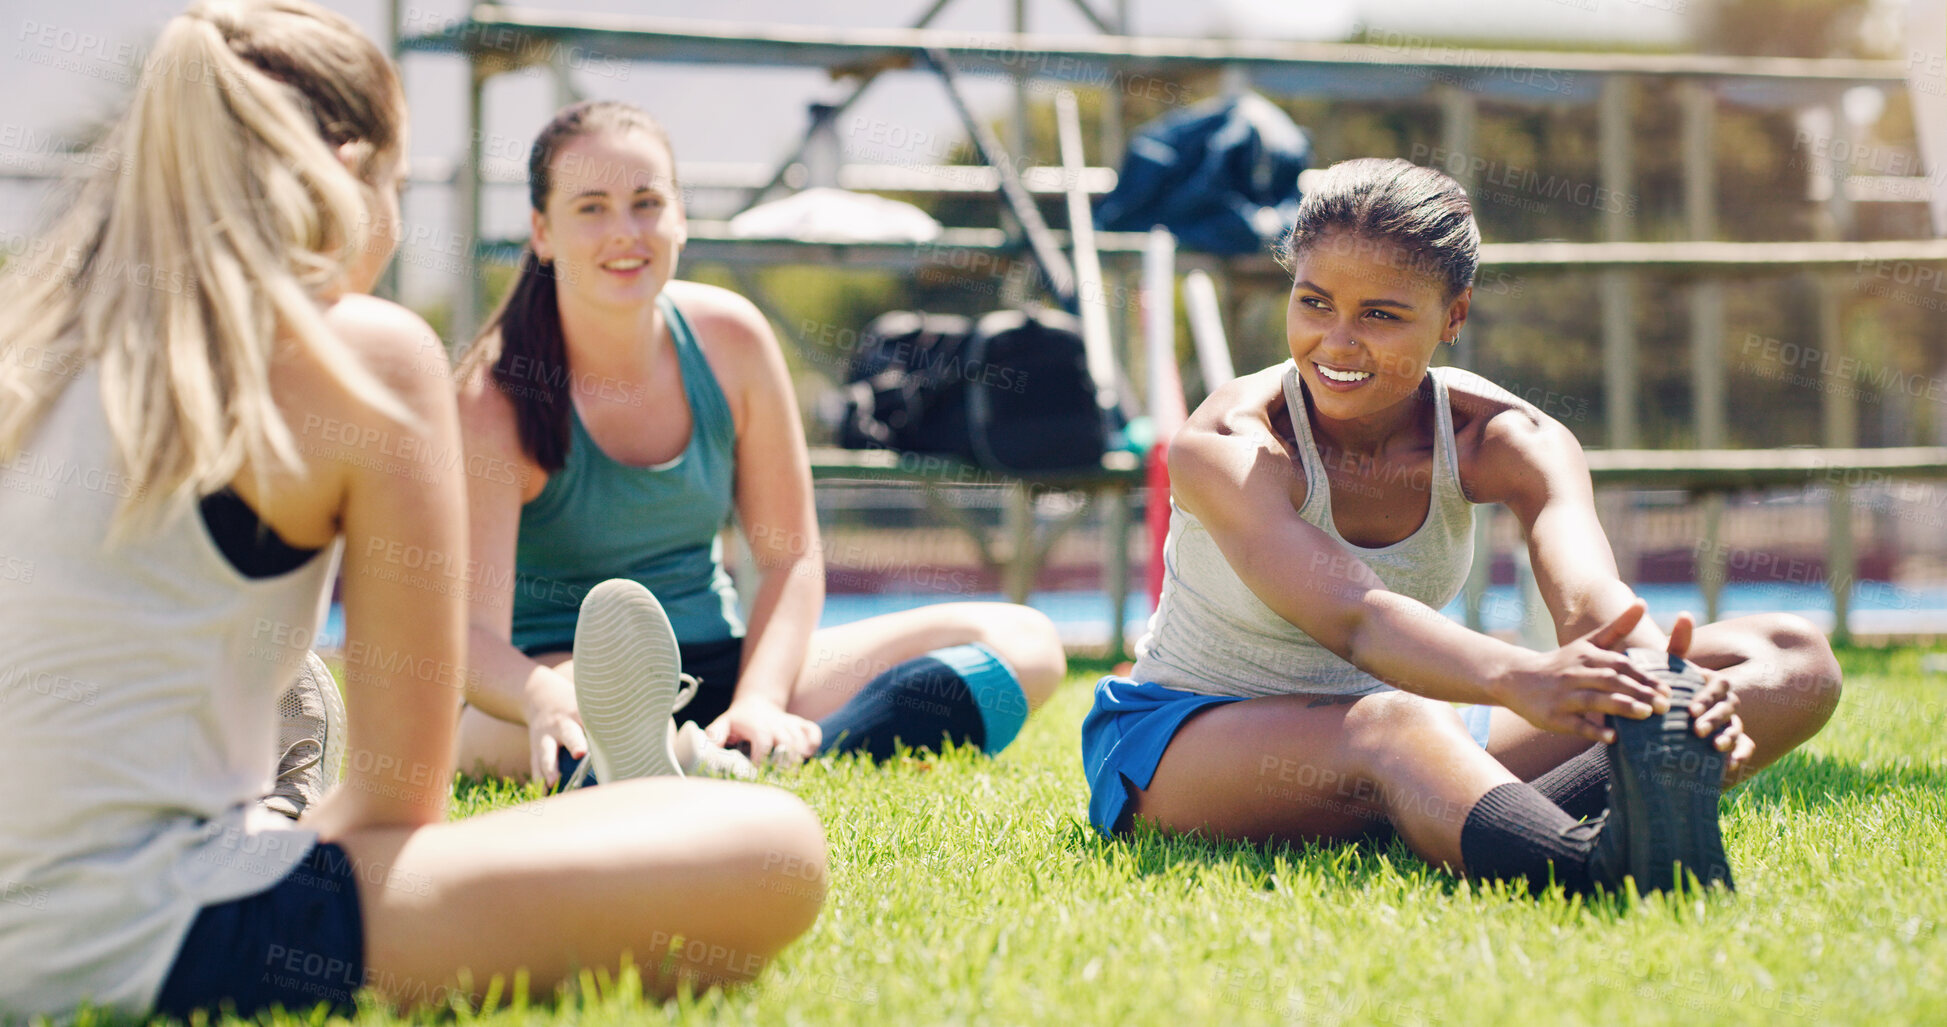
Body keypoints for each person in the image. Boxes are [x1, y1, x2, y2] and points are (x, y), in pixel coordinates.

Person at [0, 3, 823, 1020]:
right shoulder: (368, 354)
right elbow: (396, 807)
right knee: (772, 847)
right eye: (393, 184)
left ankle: (261, 809)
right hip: (151, 939)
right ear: (345, 175)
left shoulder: (32, 345)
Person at [1081, 158, 1843, 894]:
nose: (1337, 343)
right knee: (1395, 726)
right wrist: (1518, 676)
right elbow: (1356, 620)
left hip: (1426, 728)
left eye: (1380, 314)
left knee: (1787, 656)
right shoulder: (1231, 444)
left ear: (1454, 314)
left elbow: (1590, 604)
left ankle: (1462, 805)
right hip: (1186, 743)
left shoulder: (1510, 438)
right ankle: (1584, 864)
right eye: (1313, 303)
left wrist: (1665, 694)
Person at [452, 100, 1067, 788]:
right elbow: (468, 636)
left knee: (1025, 642)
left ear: (680, 216)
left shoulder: (732, 339)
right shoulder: (491, 396)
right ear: (542, 231)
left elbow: (788, 558)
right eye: (590, 207)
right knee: (620, 723)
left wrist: (759, 699)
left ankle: (750, 751)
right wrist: (545, 698)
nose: (625, 231)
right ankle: (672, 758)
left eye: (647, 202)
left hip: (722, 667)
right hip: (558, 685)